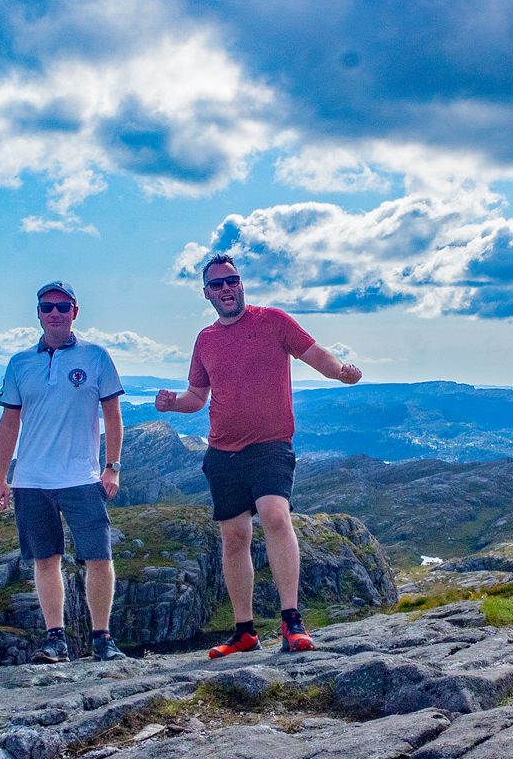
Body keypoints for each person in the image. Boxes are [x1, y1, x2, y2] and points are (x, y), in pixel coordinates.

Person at [155, 255, 363, 657]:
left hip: (270, 444)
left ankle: (292, 622)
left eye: (232, 280)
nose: (227, 288)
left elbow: (315, 354)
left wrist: (340, 372)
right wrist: (171, 403)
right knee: (234, 538)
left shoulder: (273, 321)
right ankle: (245, 632)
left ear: (241, 284)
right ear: (207, 294)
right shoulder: (205, 340)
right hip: (222, 452)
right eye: (218, 284)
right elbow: (197, 398)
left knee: (274, 515)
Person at [0, 281, 128, 662]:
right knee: (45, 559)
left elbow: (113, 415)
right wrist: (2, 479)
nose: (54, 313)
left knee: (99, 557)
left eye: (62, 307)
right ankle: (56, 640)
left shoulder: (96, 357)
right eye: (47, 306)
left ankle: (102, 638)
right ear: (37, 312)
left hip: (82, 477)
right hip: (31, 481)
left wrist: (112, 467)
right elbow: (9, 423)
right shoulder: (20, 363)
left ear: (75, 312)